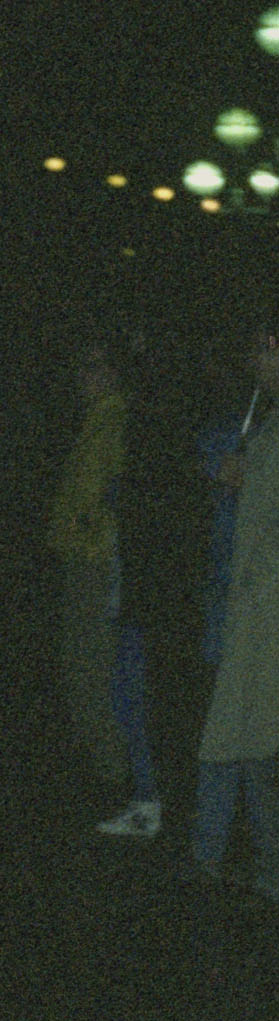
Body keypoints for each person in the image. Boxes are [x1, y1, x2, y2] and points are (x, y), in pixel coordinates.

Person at [46, 329, 162, 838]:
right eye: (82, 366)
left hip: (98, 561)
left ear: (115, 372)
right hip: (81, 558)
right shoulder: (95, 420)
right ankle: (110, 772)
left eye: (95, 366)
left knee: (94, 668)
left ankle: (118, 777)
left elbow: (120, 493)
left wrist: (93, 526)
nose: (83, 377)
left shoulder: (118, 420)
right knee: (81, 665)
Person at [192, 314, 279, 895]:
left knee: (250, 734)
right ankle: (229, 858)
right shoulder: (267, 423)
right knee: (247, 733)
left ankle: (239, 862)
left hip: (264, 605)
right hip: (249, 601)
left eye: (263, 350)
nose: (256, 363)